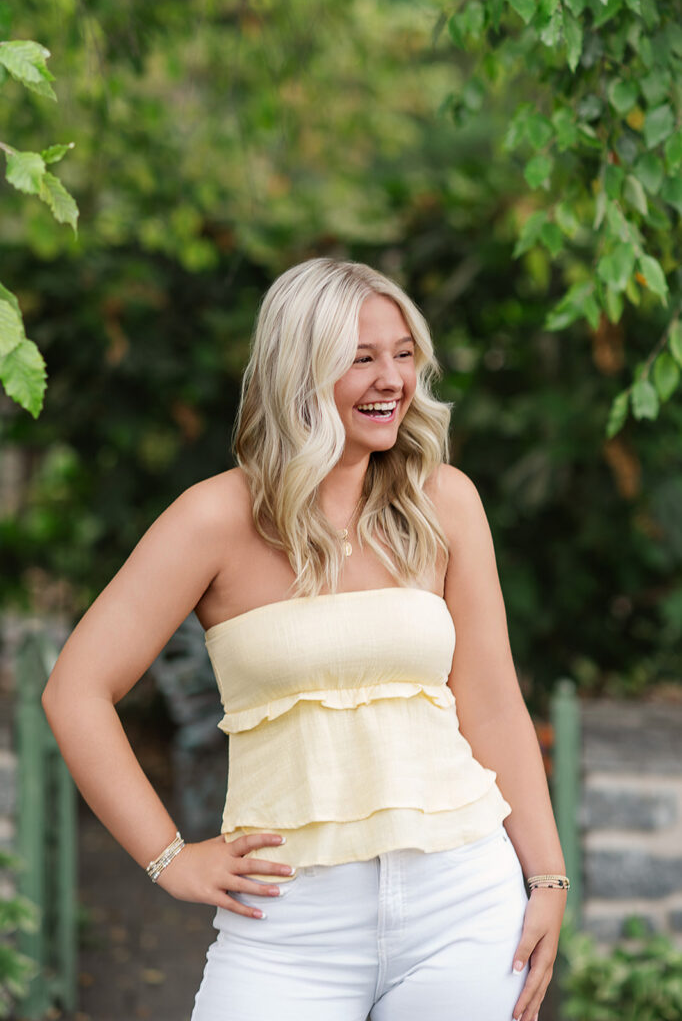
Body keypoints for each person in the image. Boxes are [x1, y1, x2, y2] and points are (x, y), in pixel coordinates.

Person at [42, 257, 568, 1021]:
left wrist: (546, 878)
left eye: (403, 353)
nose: (392, 379)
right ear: (300, 372)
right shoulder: (212, 519)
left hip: (464, 901)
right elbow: (75, 689)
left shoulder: (445, 502)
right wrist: (169, 858)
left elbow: (491, 705)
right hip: (290, 922)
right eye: (362, 358)